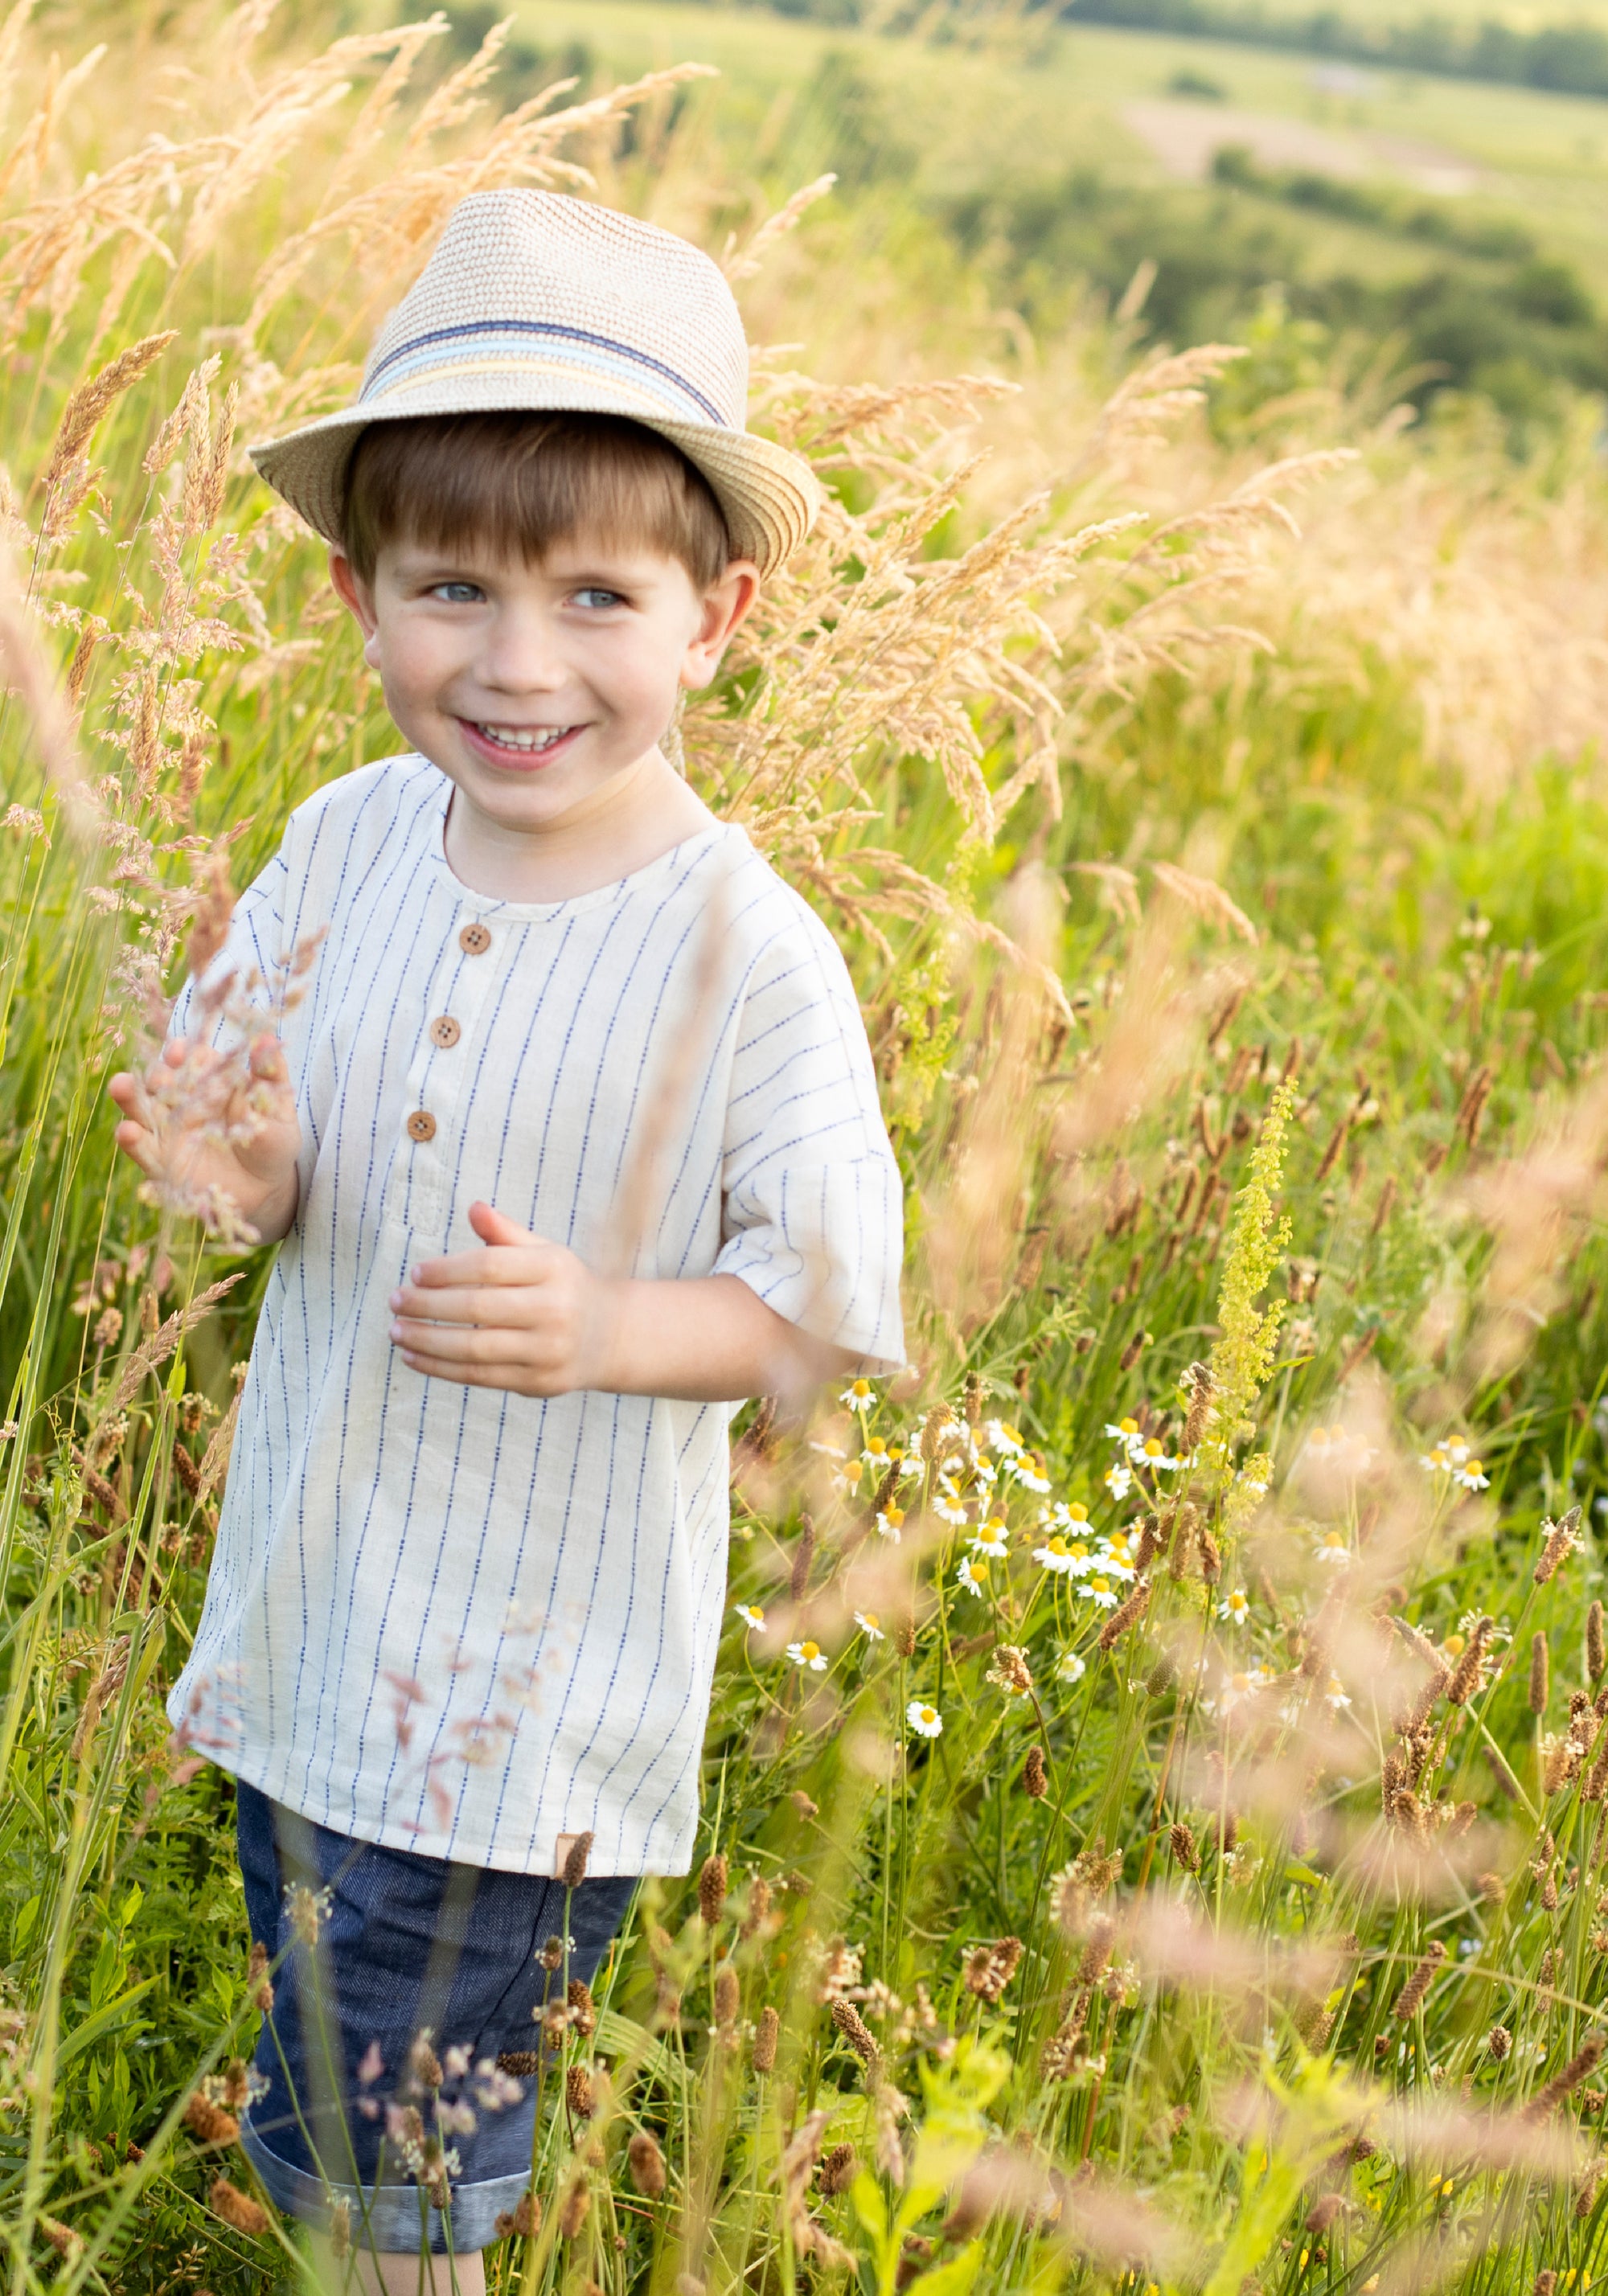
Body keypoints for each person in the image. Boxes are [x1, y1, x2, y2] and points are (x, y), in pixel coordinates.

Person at [109, 190, 904, 2294]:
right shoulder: (341, 840)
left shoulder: (746, 949)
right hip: (302, 1641)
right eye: (452, 584)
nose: (517, 661)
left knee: (399, 2191)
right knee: (318, 2121)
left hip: (527, 1717)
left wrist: (609, 1323)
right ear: (362, 594)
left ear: (717, 615)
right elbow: (253, 1174)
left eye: (597, 598)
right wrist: (234, 1170)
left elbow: (830, 1298)